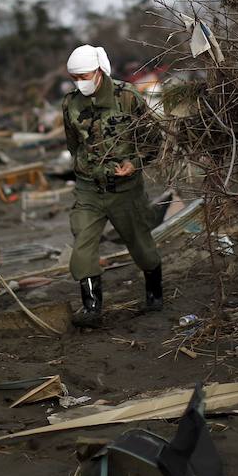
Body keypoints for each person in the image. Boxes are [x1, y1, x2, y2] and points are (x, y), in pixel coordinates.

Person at [62, 44, 163, 328]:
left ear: (98, 72)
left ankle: (155, 295)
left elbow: (153, 138)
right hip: (89, 189)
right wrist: (87, 169)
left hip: (125, 190)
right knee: (82, 242)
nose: (79, 82)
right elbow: (74, 144)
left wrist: (135, 162)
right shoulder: (70, 103)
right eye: (74, 77)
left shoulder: (127, 97)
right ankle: (92, 307)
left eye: (84, 75)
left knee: (141, 246)